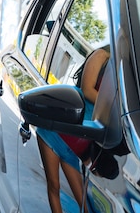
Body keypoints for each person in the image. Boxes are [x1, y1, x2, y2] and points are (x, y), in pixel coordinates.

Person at [36, 46, 111, 213]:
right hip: (59, 128)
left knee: (85, 204)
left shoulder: (129, 66)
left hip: (85, 137)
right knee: (54, 185)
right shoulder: (101, 55)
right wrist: (116, 108)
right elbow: (87, 90)